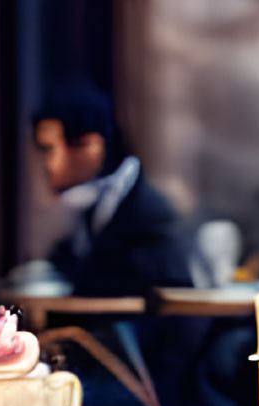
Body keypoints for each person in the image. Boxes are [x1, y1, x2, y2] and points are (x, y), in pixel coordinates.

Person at [33, 86, 190, 299]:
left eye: (49, 150)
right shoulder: (96, 202)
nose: (47, 165)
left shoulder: (151, 215)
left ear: (91, 146)